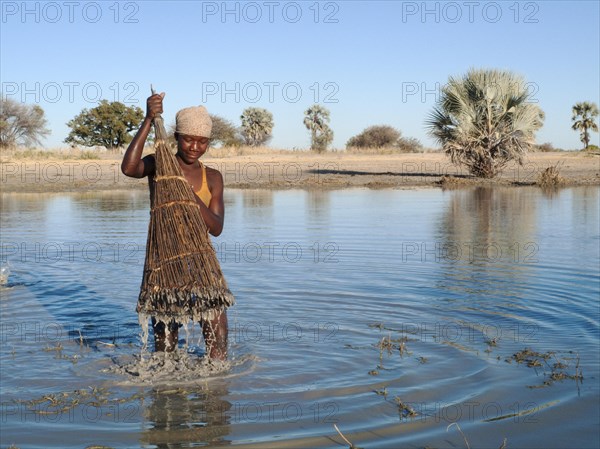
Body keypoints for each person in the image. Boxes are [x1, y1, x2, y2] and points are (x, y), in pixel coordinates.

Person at [121, 92, 228, 360]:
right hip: (164, 266)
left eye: (202, 142)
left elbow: (216, 227)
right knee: (165, 351)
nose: (194, 147)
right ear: (176, 138)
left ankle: (215, 393)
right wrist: (147, 119)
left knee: (218, 344)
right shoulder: (159, 164)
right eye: (188, 139)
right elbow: (129, 168)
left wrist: (188, 194)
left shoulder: (213, 177)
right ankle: (168, 394)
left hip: (202, 265)